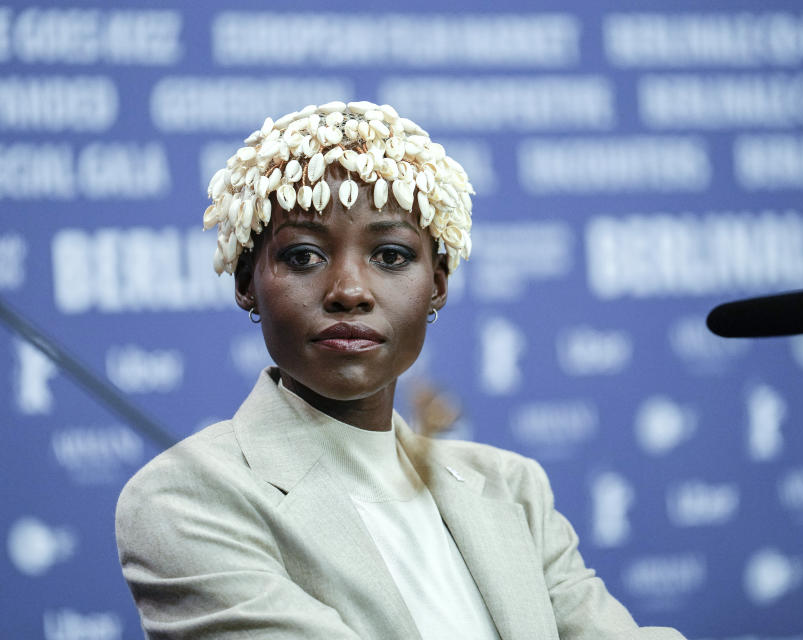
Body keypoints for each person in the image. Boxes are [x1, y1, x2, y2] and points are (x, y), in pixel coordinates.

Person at [115, 100, 685, 640]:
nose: (349, 291)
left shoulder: (514, 487)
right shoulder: (185, 497)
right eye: (303, 256)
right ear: (247, 284)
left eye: (391, 256)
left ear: (437, 284)